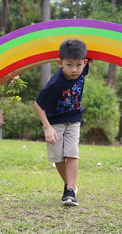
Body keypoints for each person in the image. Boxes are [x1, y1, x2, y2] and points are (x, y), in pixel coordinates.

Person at [34, 39, 90, 206]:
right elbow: (38, 104)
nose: (74, 70)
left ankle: (70, 190)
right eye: (69, 65)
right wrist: (47, 128)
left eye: (78, 65)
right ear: (60, 63)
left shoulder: (83, 69)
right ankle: (69, 185)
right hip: (54, 122)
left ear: (84, 63)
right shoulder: (55, 83)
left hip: (73, 120)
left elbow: (92, 56)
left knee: (72, 153)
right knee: (58, 157)